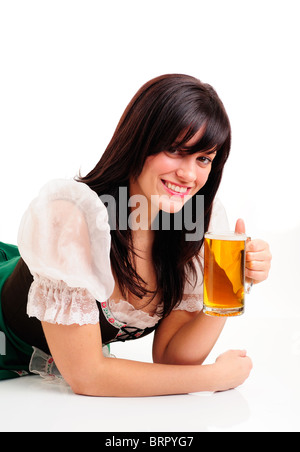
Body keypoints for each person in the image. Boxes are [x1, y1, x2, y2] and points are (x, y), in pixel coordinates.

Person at [0, 74, 271, 395]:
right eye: (174, 150)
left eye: (203, 159)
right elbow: (87, 376)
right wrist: (216, 377)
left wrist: (228, 284)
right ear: (139, 140)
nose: (188, 174)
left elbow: (173, 357)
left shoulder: (195, 223)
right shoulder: (71, 218)